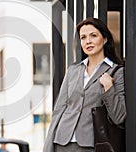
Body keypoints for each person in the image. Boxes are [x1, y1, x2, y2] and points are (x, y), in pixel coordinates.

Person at [43, 17, 126, 152]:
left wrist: (108, 88)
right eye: (83, 37)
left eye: (93, 36)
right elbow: (59, 110)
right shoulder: (73, 71)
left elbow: (119, 117)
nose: (88, 41)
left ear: (104, 39)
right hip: (62, 142)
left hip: (91, 144)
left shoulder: (116, 72)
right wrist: (48, 147)